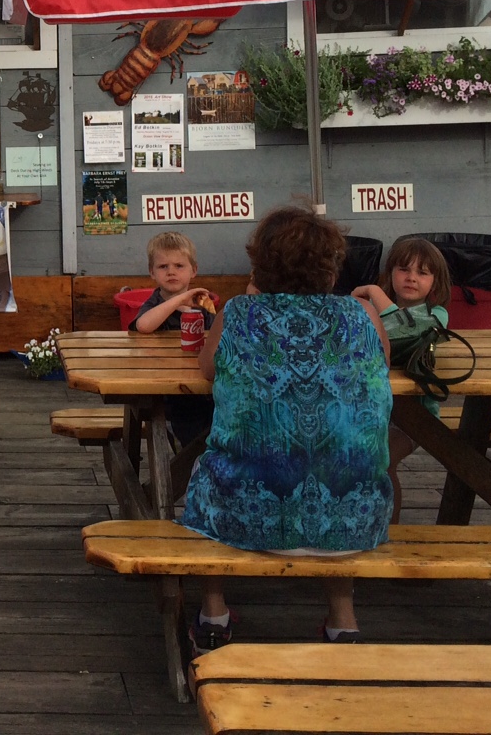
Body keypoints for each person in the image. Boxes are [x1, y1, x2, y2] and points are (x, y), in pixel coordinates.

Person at [181, 206, 393, 651]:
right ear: (331, 266)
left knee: (210, 468)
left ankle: (213, 615)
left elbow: (206, 370)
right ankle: (343, 621)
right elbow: (382, 365)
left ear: (260, 264)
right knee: (340, 461)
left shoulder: (239, 314)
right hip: (353, 518)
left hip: (245, 515)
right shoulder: (362, 316)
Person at [353, 237, 452, 522]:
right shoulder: (372, 313)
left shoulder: (436, 315)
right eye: (403, 270)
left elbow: (403, 326)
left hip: (415, 418)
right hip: (370, 413)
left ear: (436, 280)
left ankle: (391, 531)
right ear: (391, 273)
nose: (411, 278)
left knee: (382, 463)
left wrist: (373, 292)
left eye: (422, 272)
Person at [131, 231, 216, 448]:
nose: (171, 272)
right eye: (163, 267)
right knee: (189, 441)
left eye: (179, 266)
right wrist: (179, 300)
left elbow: (217, 337)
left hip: (204, 388)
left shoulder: (202, 305)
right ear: (152, 272)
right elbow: (143, 325)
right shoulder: (155, 304)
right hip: (166, 392)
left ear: (193, 270)